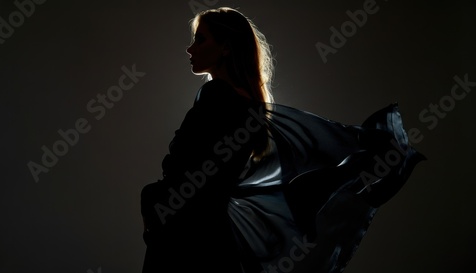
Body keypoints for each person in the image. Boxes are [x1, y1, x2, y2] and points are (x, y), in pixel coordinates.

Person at [140, 7, 424, 273]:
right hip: (215, 236)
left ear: (226, 47)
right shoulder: (252, 108)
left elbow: (181, 164)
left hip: (186, 232)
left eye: (200, 40)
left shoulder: (215, 95)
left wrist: (157, 197)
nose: (190, 49)